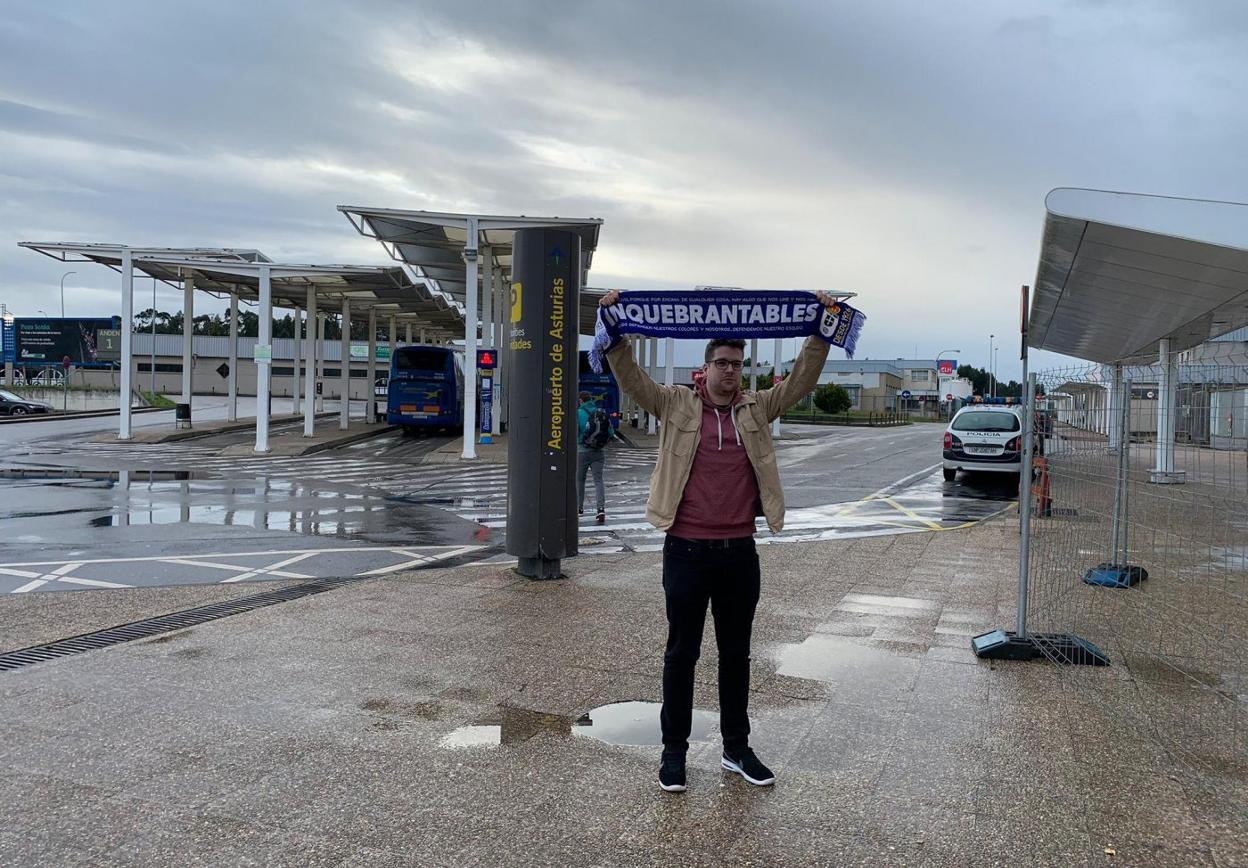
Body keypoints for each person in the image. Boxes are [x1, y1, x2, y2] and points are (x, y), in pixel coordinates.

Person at [600, 289, 838, 793]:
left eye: (738, 364)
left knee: (736, 654)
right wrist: (614, 326)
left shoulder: (757, 409)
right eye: (723, 363)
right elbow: (631, 379)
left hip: (738, 555)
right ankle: (674, 753)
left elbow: (800, 380)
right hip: (685, 551)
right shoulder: (675, 404)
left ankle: (736, 748)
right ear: (704, 367)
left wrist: (820, 331)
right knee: (681, 654)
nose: (731, 371)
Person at [577, 390, 621, 524]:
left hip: (582, 451)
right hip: (599, 452)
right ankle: (600, 509)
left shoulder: (578, 413)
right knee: (598, 481)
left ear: (581, 401)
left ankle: (579, 508)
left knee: (580, 480)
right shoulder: (600, 413)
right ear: (591, 399)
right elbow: (611, 432)